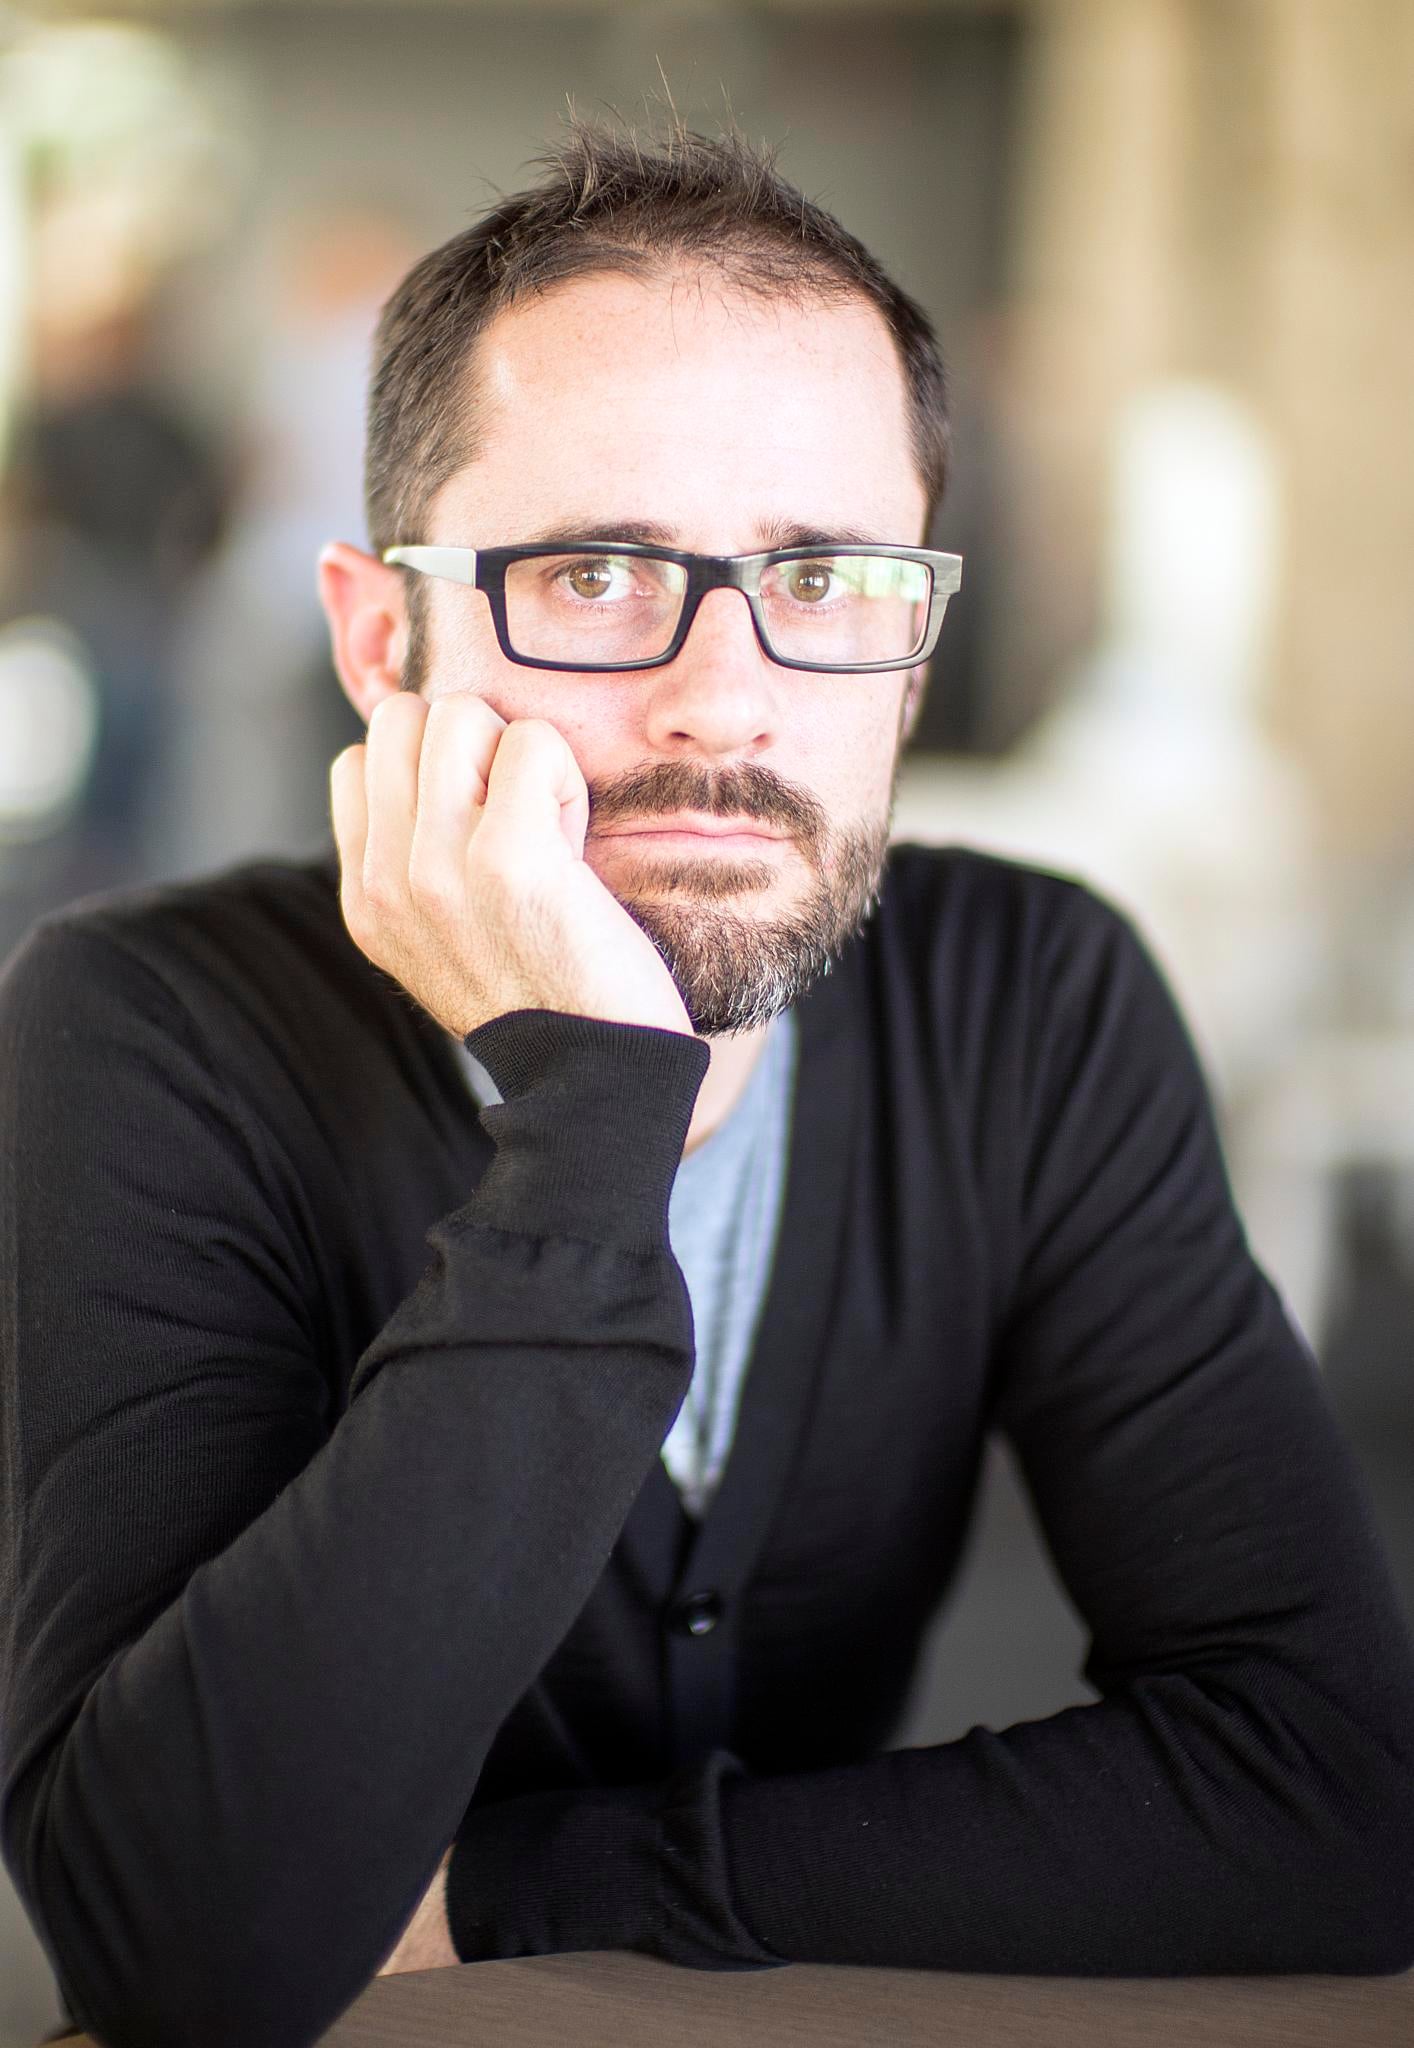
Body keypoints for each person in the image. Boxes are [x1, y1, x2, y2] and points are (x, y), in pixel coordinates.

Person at [2, 118, 1412, 2048]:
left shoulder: (1033, 996)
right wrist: (592, 1120)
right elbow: (180, 1944)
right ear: (376, 637)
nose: (727, 698)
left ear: (914, 657)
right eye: (593, 572)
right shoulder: (140, 1024)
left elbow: (1334, 1796)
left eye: (824, 576)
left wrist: (524, 1884)